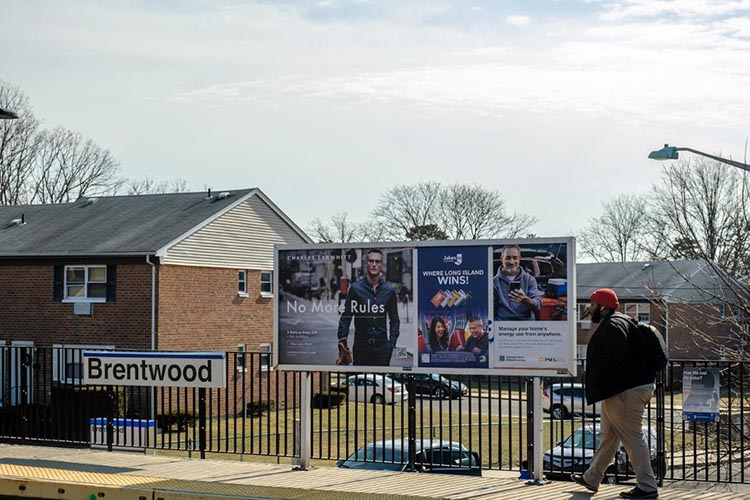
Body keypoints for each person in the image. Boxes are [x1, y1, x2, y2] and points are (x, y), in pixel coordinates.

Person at [572, 288, 659, 499]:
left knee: (633, 438)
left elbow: (615, 358)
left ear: (602, 307)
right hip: (628, 389)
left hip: (624, 393)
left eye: (592, 305)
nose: (590, 309)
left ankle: (647, 486)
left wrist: (600, 379)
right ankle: (592, 477)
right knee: (609, 437)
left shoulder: (612, 326)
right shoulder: (624, 321)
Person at [337, 249, 400, 366]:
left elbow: (395, 320)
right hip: (361, 348)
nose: (374, 264)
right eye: (371, 261)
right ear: (366, 263)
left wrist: (392, 343)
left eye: (377, 261)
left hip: (382, 349)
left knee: (381, 382)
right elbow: (346, 317)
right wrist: (342, 340)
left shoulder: (389, 291)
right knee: (361, 382)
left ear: (381, 265)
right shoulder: (356, 289)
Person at [493, 245, 542, 321]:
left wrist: (526, 300)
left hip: (526, 326)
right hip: (503, 328)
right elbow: (491, 310)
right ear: (501, 259)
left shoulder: (530, 280)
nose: (511, 262)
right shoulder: (494, 283)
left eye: (515, 258)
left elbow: (538, 305)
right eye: (508, 258)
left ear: (520, 259)